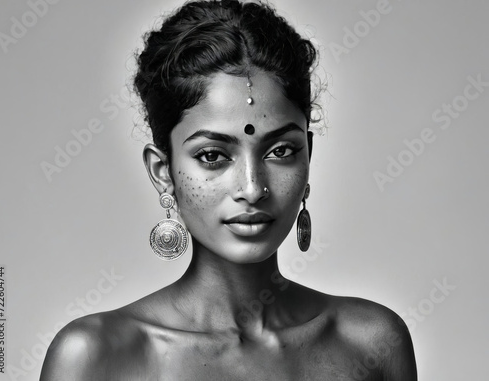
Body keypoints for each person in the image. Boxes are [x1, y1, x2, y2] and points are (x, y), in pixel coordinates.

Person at [40, 0, 417, 379]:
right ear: (163, 171)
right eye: (213, 156)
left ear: (308, 154)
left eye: (280, 151)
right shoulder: (95, 357)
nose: (253, 188)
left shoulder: (371, 342)